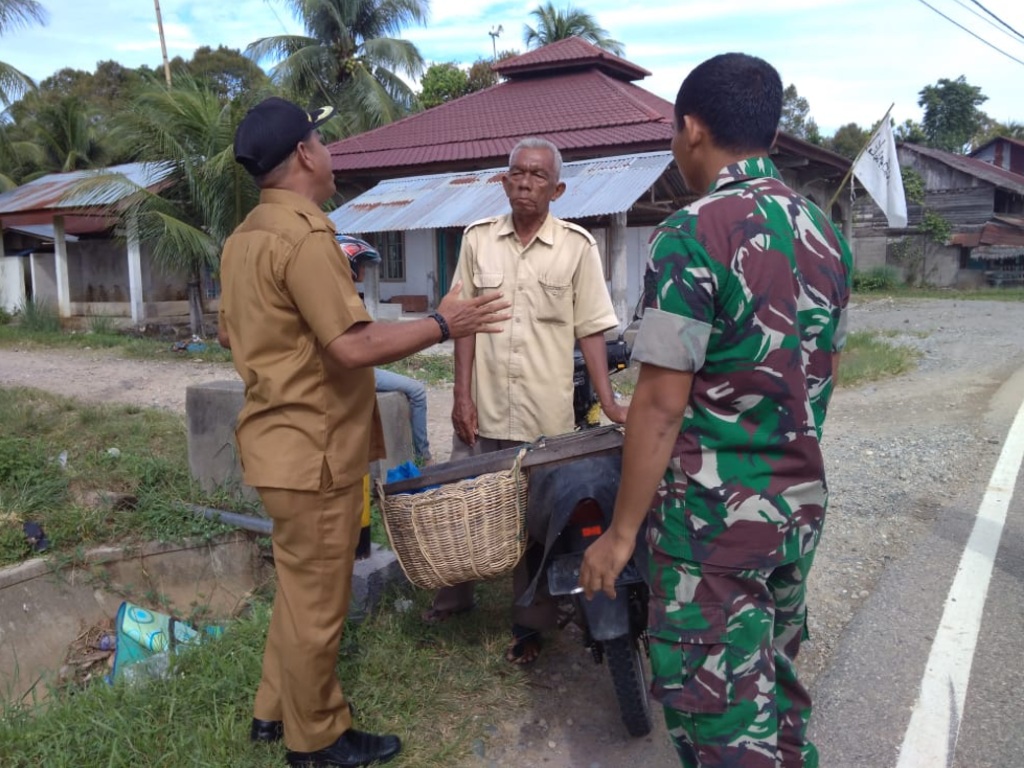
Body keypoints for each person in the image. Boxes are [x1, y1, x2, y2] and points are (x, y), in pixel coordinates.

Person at [217, 96, 509, 768]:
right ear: (303, 155)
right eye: (322, 141)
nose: (329, 153)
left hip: (272, 442)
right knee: (320, 606)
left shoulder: (244, 238)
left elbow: (233, 332)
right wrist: (444, 325)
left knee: (298, 590)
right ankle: (315, 739)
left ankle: (271, 711)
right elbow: (352, 346)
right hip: (314, 451)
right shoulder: (307, 234)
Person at [578, 53, 852, 768]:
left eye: (674, 135)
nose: (675, 149)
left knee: (718, 717)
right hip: (796, 511)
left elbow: (662, 405)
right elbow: (820, 377)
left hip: (713, 530)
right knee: (774, 684)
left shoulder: (691, 235)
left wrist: (621, 533)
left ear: (692, 130)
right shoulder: (827, 236)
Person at [423, 136, 628, 665]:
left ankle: (530, 623)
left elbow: (592, 331)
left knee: (540, 523)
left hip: (545, 416)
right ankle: (453, 599)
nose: (525, 183)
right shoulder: (476, 241)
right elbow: (462, 324)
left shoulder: (577, 247)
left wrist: (607, 400)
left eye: (537, 176)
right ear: (504, 180)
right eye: (516, 173)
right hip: (484, 406)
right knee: (462, 504)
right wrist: (460, 395)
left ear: (557, 188)